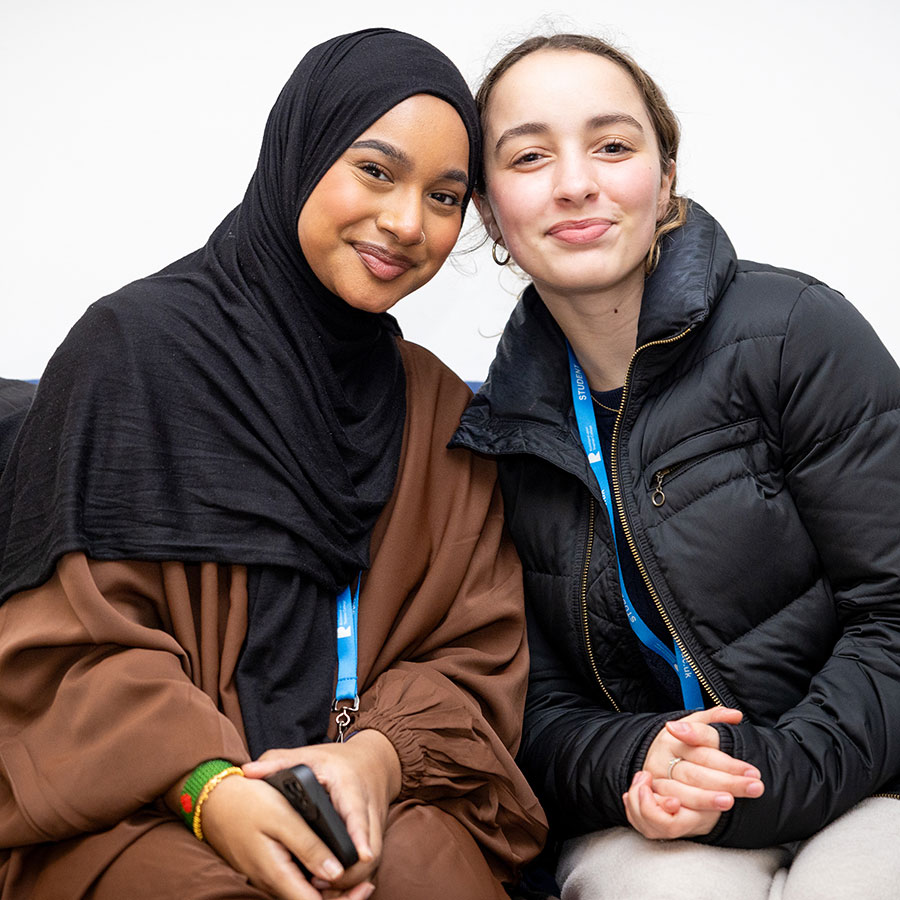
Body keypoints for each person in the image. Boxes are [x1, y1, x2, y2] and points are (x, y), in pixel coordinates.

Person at [0, 28, 546, 900]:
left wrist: (377, 758)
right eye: (375, 170)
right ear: (301, 153)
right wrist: (206, 787)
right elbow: (65, 647)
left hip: (371, 802)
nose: (408, 222)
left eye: (445, 197)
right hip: (141, 803)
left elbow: (473, 654)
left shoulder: (441, 411)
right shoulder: (132, 353)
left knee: (425, 877)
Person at [451, 32, 900, 900]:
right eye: (530, 155)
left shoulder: (796, 334)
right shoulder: (494, 433)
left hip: (869, 776)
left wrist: (753, 771)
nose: (575, 182)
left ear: (663, 181)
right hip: (651, 810)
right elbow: (524, 710)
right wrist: (637, 760)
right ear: (488, 212)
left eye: (612, 146)